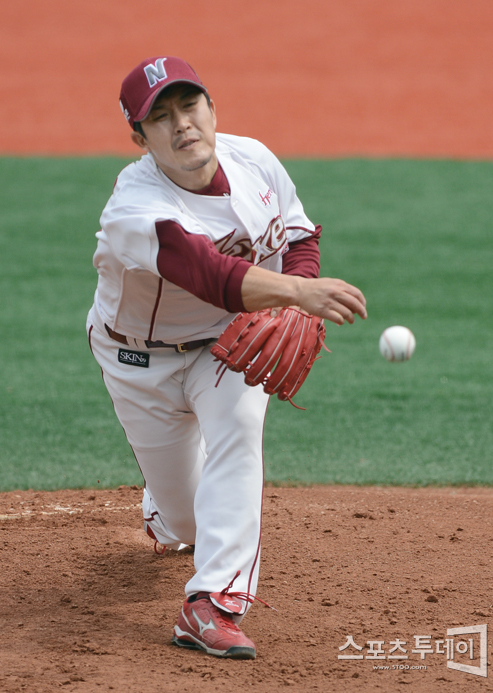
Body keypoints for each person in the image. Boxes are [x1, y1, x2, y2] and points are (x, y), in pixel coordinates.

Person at [86, 55, 367, 660]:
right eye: (160, 117)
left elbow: (298, 235)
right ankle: (166, 515)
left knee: (239, 433)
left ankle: (211, 605)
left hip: (228, 344)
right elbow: (207, 273)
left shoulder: (254, 159)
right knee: (186, 524)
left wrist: (294, 297)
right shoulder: (134, 208)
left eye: (189, 106)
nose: (181, 124)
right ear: (140, 138)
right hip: (140, 362)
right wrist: (298, 295)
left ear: (212, 108)